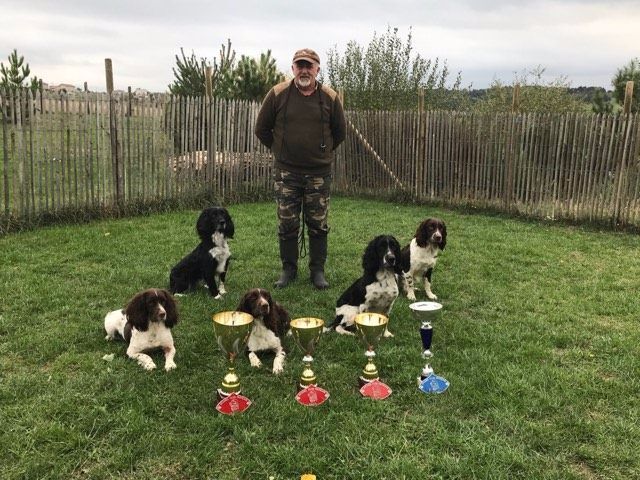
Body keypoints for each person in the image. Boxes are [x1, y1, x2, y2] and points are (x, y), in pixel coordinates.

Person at [255, 48, 346, 289]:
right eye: (300, 65)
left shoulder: (330, 97)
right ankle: (288, 270)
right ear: (293, 68)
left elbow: (340, 133)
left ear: (317, 69)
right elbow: (261, 129)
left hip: (318, 173)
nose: (304, 70)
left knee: (318, 223)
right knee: (287, 222)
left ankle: (317, 272)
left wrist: (321, 153)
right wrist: (281, 151)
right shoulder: (277, 94)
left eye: (309, 66)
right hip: (287, 173)